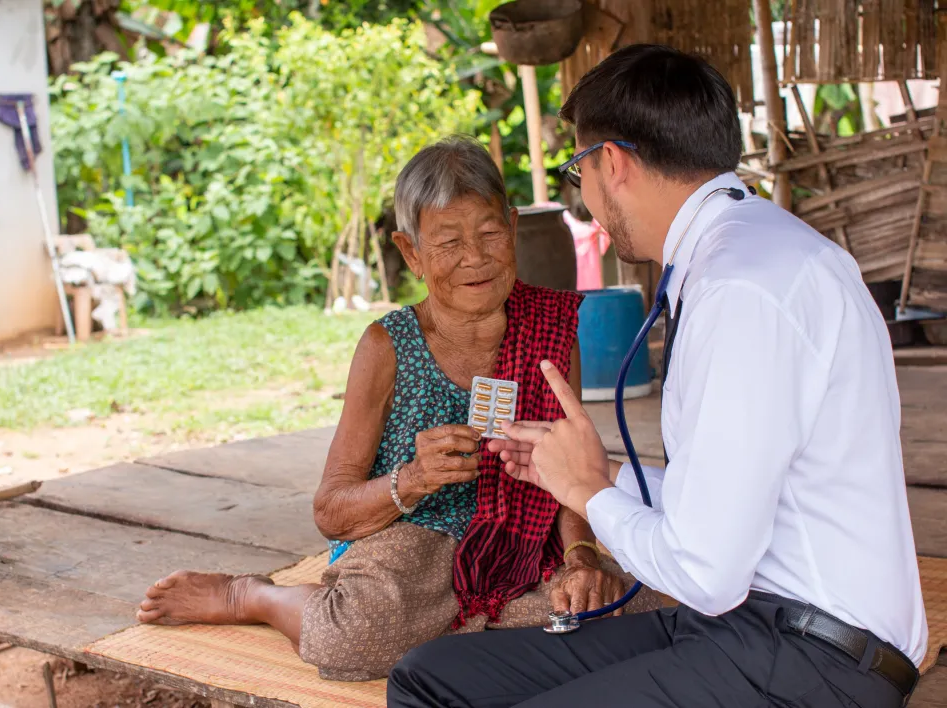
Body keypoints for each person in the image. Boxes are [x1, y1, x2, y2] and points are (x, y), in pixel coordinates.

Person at [387, 45, 928, 708]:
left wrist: (588, 495)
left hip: (814, 661)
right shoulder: (755, 251)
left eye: (575, 171)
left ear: (609, 163)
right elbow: (729, 499)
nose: (581, 196)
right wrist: (607, 473)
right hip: (757, 626)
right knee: (429, 677)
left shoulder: (742, 290)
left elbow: (706, 573)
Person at [135, 136, 659, 681]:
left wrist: (580, 560)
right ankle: (258, 597)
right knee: (354, 639)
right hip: (411, 543)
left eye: (488, 234)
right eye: (449, 242)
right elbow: (330, 510)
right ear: (410, 252)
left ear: (513, 227)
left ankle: (463, 626)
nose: (475, 258)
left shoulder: (550, 329)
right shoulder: (386, 346)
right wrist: (410, 480)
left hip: (520, 546)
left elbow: (569, 471)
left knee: (626, 608)